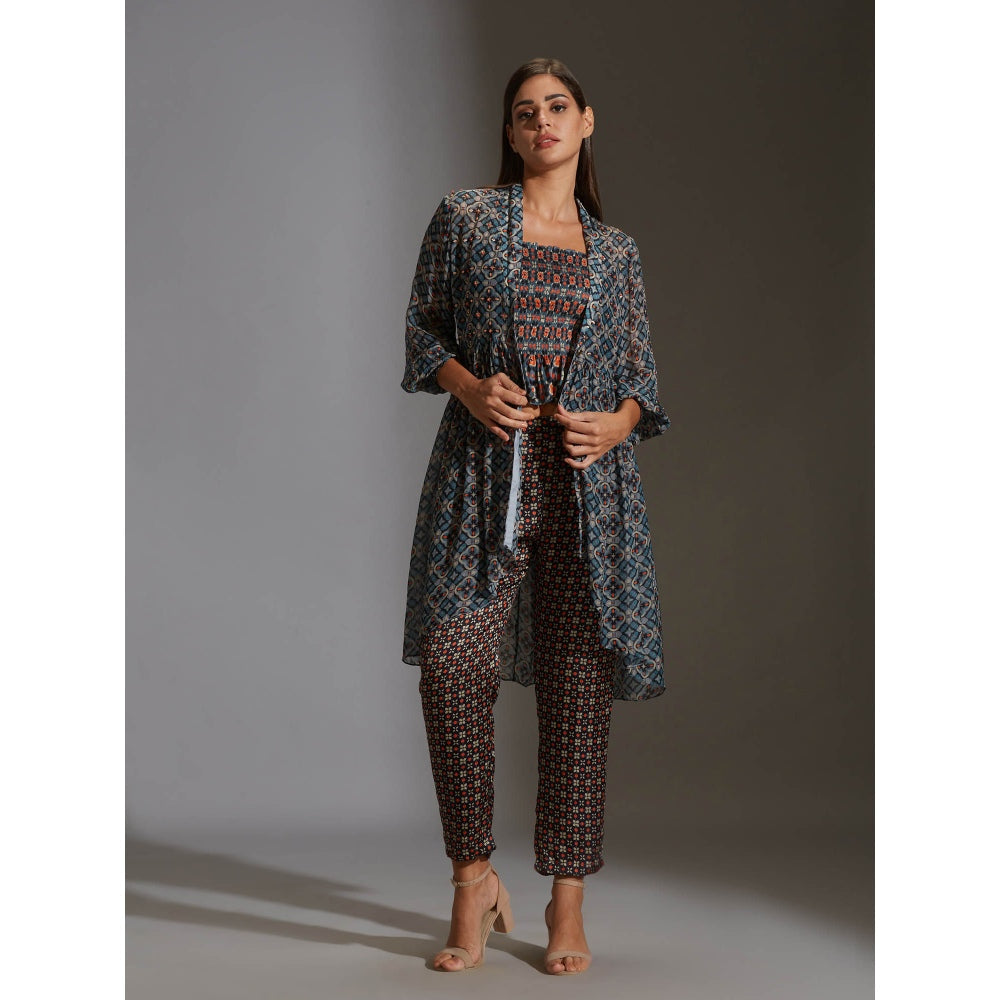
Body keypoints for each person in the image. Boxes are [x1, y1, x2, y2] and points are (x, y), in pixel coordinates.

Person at [400, 57, 671, 975]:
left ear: (586, 122)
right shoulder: (467, 218)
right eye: (525, 112)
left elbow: (642, 382)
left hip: (589, 491)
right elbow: (422, 328)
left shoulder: (617, 252)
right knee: (451, 668)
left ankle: (566, 901)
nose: (542, 122)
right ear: (510, 133)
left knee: (576, 690)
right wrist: (470, 386)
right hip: (482, 478)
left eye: (557, 107)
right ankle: (472, 881)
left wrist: (619, 423)